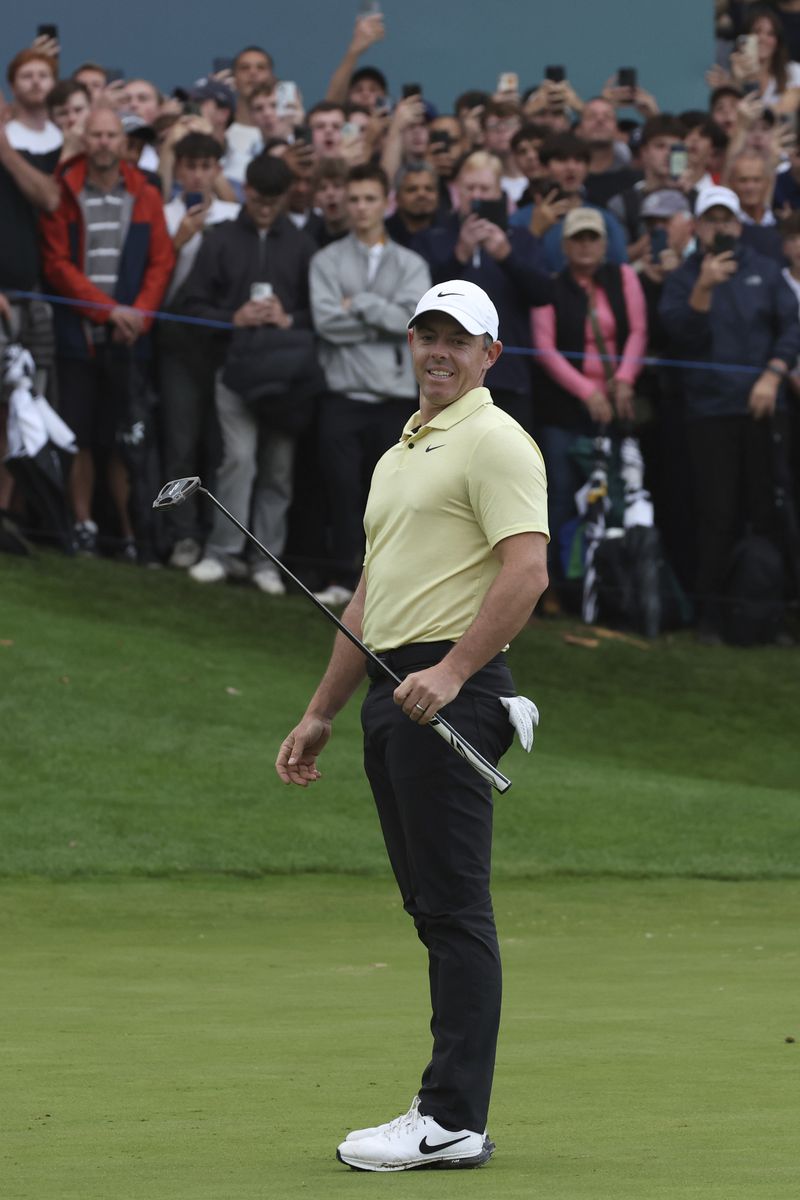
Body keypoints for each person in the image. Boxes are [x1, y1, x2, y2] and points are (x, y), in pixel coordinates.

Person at [276, 278, 549, 1173]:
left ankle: (450, 1119)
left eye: (456, 338)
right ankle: (446, 1112)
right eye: (426, 333)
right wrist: (322, 709)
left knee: (457, 909)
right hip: (396, 687)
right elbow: (372, 595)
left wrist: (456, 669)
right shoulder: (400, 454)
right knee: (432, 907)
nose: (438, 349)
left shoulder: (496, 440)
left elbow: (527, 572)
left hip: (451, 686)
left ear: (488, 355)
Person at [659, 185, 800, 642]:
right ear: (697, 226)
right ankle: (711, 617)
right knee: (715, 514)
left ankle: (767, 614)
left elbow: (792, 326)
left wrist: (773, 375)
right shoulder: (684, 278)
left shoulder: (766, 270)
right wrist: (703, 287)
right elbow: (680, 335)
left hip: (763, 407)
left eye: (727, 219)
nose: (720, 227)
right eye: (711, 219)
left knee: (767, 511)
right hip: (709, 411)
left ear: (738, 224)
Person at [39, 104, 175, 558]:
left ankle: (128, 533)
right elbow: (56, 264)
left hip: (129, 340)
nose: (103, 143)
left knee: (122, 440)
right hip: (79, 337)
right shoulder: (64, 187)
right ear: (85, 140)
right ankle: (83, 525)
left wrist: (137, 314)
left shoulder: (145, 191)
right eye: (94, 135)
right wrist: (106, 311)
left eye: (110, 136)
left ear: (123, 142)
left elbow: (161, 260)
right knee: (78, 436)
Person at [183, 152, 315, 594]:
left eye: (274, 199)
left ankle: (265, 562)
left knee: (278, 467)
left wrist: (288, 318)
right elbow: (192, 307)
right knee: (238, 459)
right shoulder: (220, 239)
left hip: (286, 374)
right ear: (247, 191)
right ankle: (222, 553)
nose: (265, 206)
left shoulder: (300, 243)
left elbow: (319, 314)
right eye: (259, 197)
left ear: (284, 197)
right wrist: (231, 318)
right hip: (235, 368)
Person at [309, 163, 431, 605]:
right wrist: (384, 318)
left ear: (386, 202)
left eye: (369, 199)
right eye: (354, 199)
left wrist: (358, 303)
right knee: (342, 494)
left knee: (391, 499)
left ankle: (387, 585)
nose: (361, 208)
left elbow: (411, 322)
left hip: (394, 397)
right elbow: (326, 323)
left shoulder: (411, 263)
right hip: (342, 394)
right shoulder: (327, 260)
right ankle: (345, 579)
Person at [531, 207, 647, 590]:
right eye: (577, 238)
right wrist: (587, 391)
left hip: (618, 404)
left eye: (592, 238)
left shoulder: (624, 277)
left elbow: (638, 331)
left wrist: (625, 379)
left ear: (605, 243)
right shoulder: (550, 286)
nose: (585, 245)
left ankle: (612, 586)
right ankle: (548, 588)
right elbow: (544, 348)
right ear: (564, 245)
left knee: (618, 493)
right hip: (565, 408)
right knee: (560, 495)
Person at [415, 150, 554, 430]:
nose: (477, 196)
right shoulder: (433, 238)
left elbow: (543, 294)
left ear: (499, 193)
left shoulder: (522, 240)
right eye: (470, 188)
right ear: (457, 191)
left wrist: (506, 256)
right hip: (444, 377)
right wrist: (459, 256)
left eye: (485, 189)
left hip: (509, 377)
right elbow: (421, 299)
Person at [158, 132, 239, 568]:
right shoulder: (166, 213)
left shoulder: (234, 214)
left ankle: (216, 535)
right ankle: (182, 533)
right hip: (177, 340)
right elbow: (155, 282)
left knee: (222, 444)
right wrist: (181, 238)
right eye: (190, 165)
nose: (198, 174)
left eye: (207, 166)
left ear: (217, 170)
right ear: (179, 169)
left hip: (225, 341)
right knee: (181, 438)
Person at [509, 132, 629, 272]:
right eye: (562, 160)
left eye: (578, 160)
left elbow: (621, 272)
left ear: (587, 168)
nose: (571, 167)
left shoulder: (605, 219)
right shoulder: (518, 220)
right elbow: (510, 272)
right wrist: (533, 234)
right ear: (544, 167)